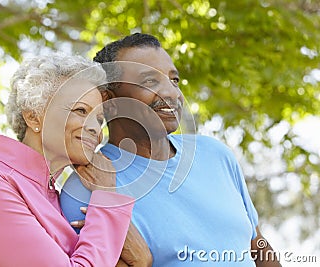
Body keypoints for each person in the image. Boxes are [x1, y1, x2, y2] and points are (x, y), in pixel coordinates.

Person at [60, 33, 282, 266]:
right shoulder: (86, 188)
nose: (172, 94)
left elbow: (257, 244)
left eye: (174, 80)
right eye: (149, 81)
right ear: (110, 102)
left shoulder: (216, 155)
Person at [0, 52, 139, 266]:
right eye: (81, 110)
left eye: (99, 119)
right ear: (34, 116)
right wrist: (106, 197)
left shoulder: (56, 197)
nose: (96, 129)